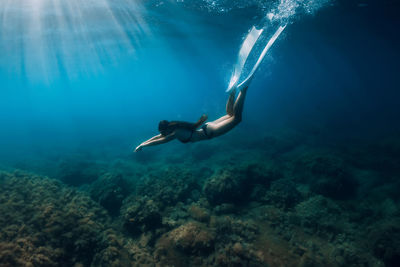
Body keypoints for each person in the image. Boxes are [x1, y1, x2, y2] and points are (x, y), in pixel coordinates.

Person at [134, 84, 249, 152]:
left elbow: (161, 141)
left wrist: (143, 145)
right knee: (230, 115)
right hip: (207, 127)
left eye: (163, 132)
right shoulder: (174, 127)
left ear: (166, 129)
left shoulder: (176, 133)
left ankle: (242, 90)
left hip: (210, 132)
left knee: (236, 118)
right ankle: (232, 93)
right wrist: (142, 144)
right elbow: (158, 137)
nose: (162, 134)